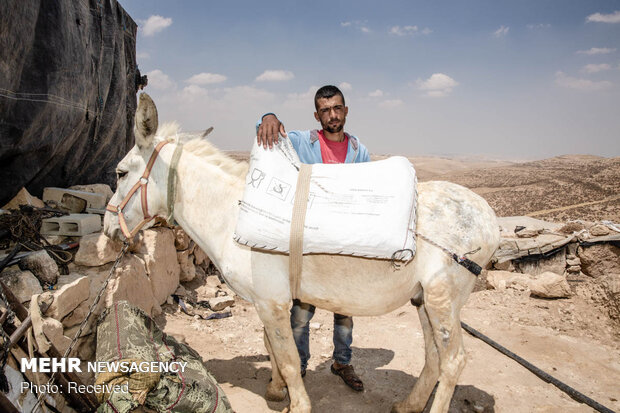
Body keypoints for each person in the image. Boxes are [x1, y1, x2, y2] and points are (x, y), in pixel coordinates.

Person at [255, 85, 370, 392]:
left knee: (345, 313)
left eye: (337, 108)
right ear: (317, 115)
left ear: (345, 110)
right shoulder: (302, 142)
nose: (332, 115)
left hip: (345, 247)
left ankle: (342, 362)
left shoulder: (360, 151)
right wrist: (268, 115)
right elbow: (269, 134)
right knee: (300, 315)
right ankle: (300, 366)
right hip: (310, 247)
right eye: (325, 110)